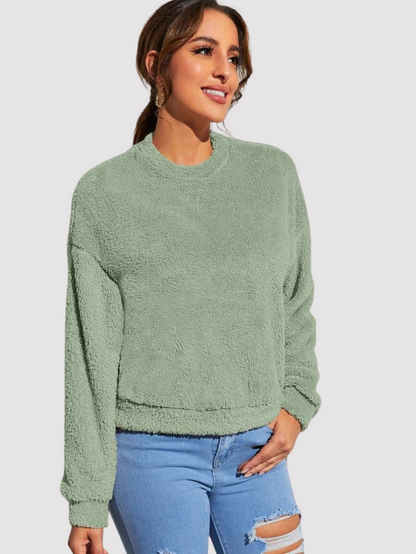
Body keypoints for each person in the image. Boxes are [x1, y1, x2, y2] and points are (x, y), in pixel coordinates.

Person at [60, 1, 322, 553]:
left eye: (234, 57)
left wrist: (296, 404)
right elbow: (89, 356)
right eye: (204, 51)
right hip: (150, 455)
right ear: (156, 65)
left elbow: (294, 301)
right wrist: (86, 497)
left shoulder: (272, 174)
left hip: (257, 449)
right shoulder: (105, 194)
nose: (225, 70)